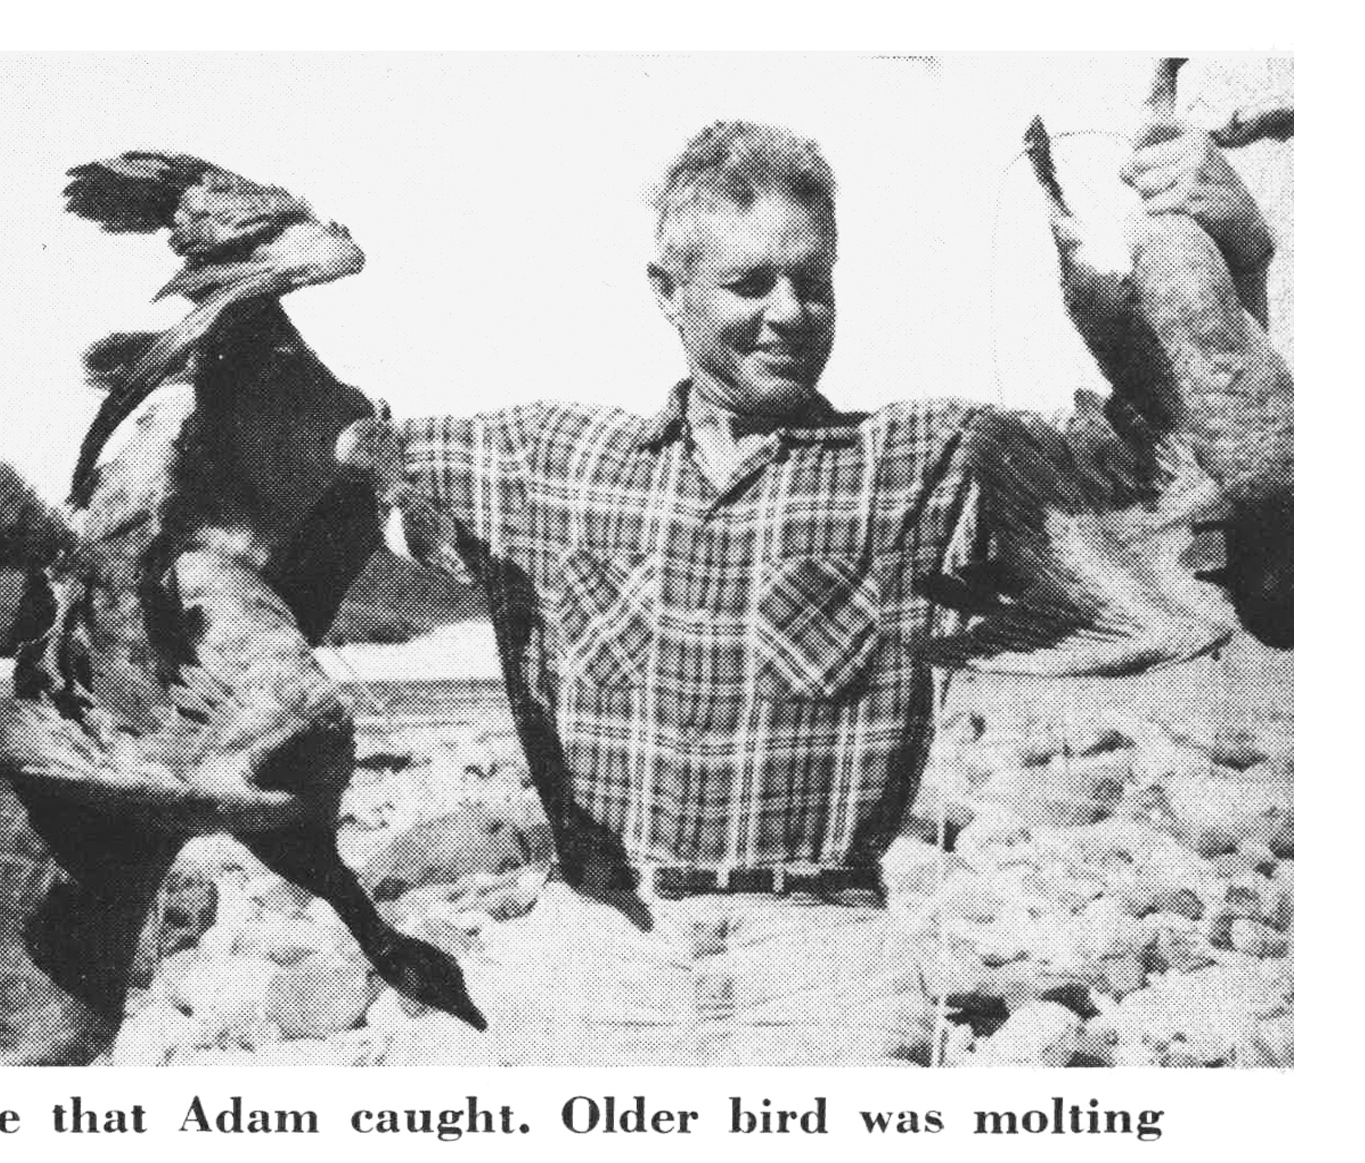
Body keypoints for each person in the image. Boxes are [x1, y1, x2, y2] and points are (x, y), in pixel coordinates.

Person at [345, 111, 1282, 1066]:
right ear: (665, 293)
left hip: (824, 974)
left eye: (813, 281)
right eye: (749, 283)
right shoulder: (548, 459)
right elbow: (322, 468)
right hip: (592, 960)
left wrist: (1232, 258)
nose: (789, 311)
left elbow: (1190, 468)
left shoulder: (923, 459)